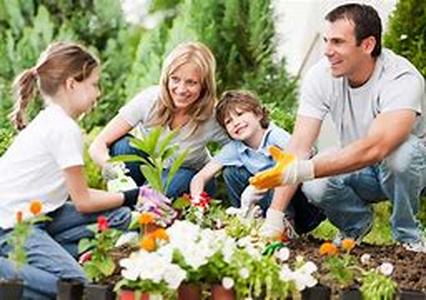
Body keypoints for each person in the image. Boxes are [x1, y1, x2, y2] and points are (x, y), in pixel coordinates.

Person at [252, 3, 426, 252]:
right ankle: (355, 224)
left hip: (411, 169)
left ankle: (408, 236)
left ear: (367, 45)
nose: (327, 51)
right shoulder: (321, 75)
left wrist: (303, 169)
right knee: (315, 183)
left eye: (337, 42)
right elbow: (299, 147)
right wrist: (274, 216)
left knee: (401, 155)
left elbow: (378, 147)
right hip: (361, 166)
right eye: (326, 41)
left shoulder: (401, 78)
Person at [0, 42, 141, 299]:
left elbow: (80, 195)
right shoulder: (63, 128)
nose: (98, 93)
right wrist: (136, 195)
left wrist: (133, 199)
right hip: (10, 227)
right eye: (94, 84)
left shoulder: (52, 120)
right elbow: (84, 201)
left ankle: (35, 265)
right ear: (71, 83)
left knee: (118, 216)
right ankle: (13, 270)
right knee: (77, 287)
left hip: (38, 217)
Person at [89, 41, 228, 199]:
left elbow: (235, 148)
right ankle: (134, 199)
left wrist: (203, 175)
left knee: (179, 177)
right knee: (123, 147)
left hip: (190, 178)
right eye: (175, 79)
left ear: (205, 85)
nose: (181, 90)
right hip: (152, 172)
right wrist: (111, 168)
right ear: (166, 78)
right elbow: (98, 144)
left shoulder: (213, 114)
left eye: (191, 82)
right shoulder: (149, 100)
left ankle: (138, 204)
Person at [190, 90, 324, 235]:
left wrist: (261, 184)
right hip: (267, 203)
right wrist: (198, 202)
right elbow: (200, 177)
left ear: (258, 114)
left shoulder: (275, 136)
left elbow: (303, 155)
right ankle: (248, 219)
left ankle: (285, 227)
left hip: (302, 208)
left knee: (281, 174)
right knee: (231, 173)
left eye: (240, 114)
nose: (236, 123)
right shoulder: (236, 148)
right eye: (228, 121)